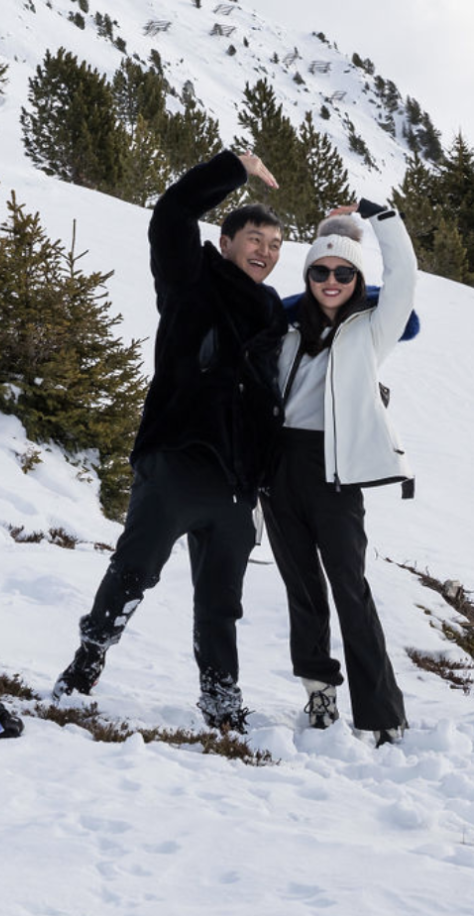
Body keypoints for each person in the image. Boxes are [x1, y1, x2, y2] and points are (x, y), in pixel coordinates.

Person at [52, 151, 287, 733]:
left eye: (276, 244)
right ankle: (87, 660)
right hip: (178, 460)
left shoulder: (272, 315)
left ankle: (221, 698)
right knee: (134, 570)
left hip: (237, 483)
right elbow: (173, 211)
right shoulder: (191, 279)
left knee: (221, 602)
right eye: (254, 239)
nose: (265, 251)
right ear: (226, 242)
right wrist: (234, 167)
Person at [261, 201, 417, 745]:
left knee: (351, 589)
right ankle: (318, 690)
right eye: (321, 271)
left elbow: (405, 277)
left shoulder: (372, 331)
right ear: (308, 276)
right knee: (302, 588)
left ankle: (382, 712)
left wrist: (382, 218)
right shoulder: (284, 329)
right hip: (279, 467)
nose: (331, 281)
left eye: (344, 273)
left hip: (336, 471)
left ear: (357, 280)